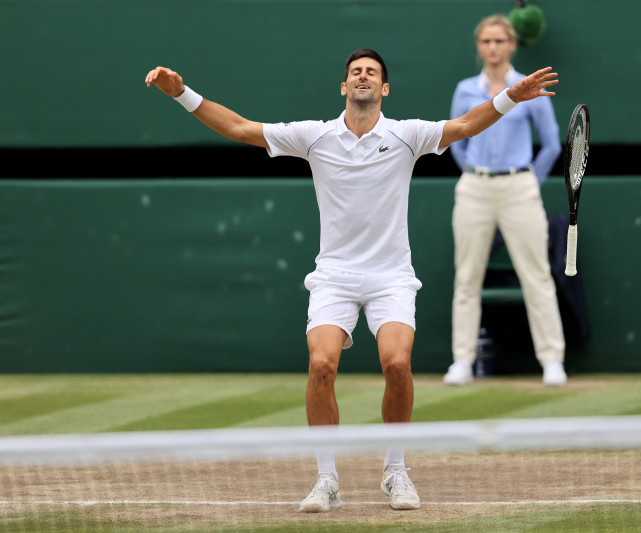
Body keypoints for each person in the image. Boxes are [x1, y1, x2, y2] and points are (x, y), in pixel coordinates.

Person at [145, 49, 558, 512]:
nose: (363, 77)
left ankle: (395, 470)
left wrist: (509, 97)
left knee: (397, 364)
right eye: (355, 72)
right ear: (344, 87)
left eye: (372, 73)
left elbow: (464, 125)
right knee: (321, 365)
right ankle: (327, 479)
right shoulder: (315, 137)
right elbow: (241, 129)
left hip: (391, 278)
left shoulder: (408, 135)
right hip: (334, 278)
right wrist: (181, 93)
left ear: (383, 89)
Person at [443, 15, 568, 387]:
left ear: (512, 44)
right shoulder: (465, 89)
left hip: (520, 189)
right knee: (467, 277)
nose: (493, 47)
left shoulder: (528, 87)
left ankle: (552, 361)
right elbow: (456, 137)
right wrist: (472, 169)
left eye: (499, 41)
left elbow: (551, 143)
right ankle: (462, 361)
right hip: (474, 187)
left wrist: (529, 178)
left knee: (537, 275)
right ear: (478, 46)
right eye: (486, 41)